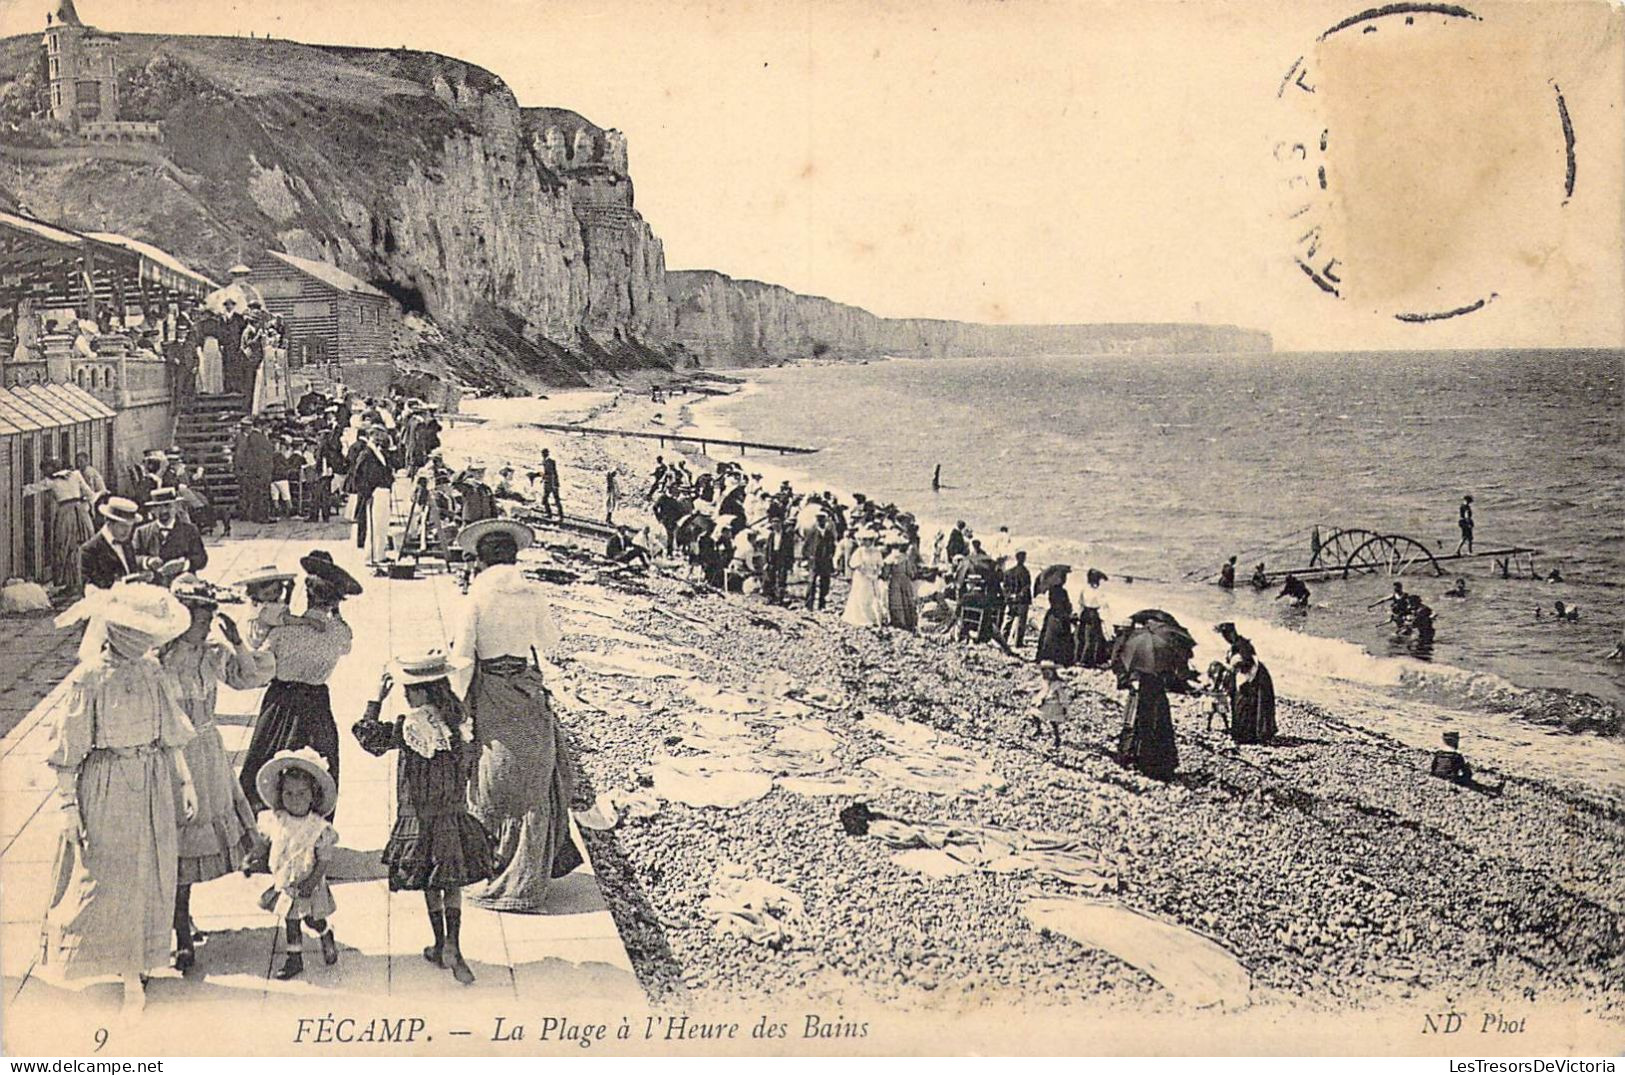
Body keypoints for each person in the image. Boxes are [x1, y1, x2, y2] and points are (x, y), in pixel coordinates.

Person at [41, 583, 198, 1015]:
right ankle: (111, 965)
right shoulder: (88, 679)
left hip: (150, 781)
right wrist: (68, 807)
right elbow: (66, 753)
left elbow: (171, 734)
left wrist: (185, 782)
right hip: (106, 784)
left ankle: (139, 966)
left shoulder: (151, 672)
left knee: (150, 871)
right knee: (106, 874)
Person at [449, 519, 583, 911]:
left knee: (492, 773)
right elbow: (550, 642)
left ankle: (496, 868)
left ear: (482, 561)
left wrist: (458, 704)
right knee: (534, 772)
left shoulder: (475, 598)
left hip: (491, 689)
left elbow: (462, 658)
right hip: (524, 687)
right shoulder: (532, 593)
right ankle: (530, 876)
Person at [354, 652, 494, 985]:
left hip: (420, 815)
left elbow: (369, 738)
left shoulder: (412, 725)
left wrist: (376, 699)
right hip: (452, 814)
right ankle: (453, 947)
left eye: (411, 690)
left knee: (430, 880)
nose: (405, 695)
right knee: (451, 881)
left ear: (426, 691)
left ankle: (440, 943)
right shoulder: (457, 722)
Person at [161, 577, 274, 970]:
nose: (208, 626)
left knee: (189, 850)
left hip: (206, 754)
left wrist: (239, 642)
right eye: (203, 619)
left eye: (210, 620)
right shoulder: (160, 657)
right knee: (172, 847)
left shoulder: (212, 653)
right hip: (170, 756)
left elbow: (253, 677)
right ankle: (179, 932)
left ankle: (182, 922)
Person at [238, 551, 360, 818]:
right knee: (319, 767)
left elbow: (259, 656)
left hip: (280, 702)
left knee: (264, 762)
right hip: (316, 703)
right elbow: (346, 642)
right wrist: (335, 614)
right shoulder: (340, 633)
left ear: (307, 593)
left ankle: (261, 827)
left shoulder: (282, 631)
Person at [247, 749, 340, 980]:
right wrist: (252, 857)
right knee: (291, 920)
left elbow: (323, 861)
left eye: (301, 793)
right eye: (288, 793)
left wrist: (311, 882)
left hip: (310, 884)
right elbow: (265, 843)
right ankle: (294, 959)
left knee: (312, 919)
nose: (294, 799)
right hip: (286, 882)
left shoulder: (318, 828)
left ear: (313, 795)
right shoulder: (277, 820)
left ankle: (325, 933)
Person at [23, 458, 95, 595]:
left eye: (45, 469)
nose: (44, 472)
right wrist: (85, 506)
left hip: (65, 515)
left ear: (51, 468)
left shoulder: (51, 481)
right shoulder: (76, 475)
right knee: (80, 546)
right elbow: (90, 494)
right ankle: (80, 582)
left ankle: (70, 583)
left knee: (63, 547)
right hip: (80, 512)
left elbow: (30, 489)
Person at [1215, 622, 1277, 744]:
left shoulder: (1243, 645)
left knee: (1246, 703)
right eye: (1224, 636)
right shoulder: (1234, 646)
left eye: (1227, 635)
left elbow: (1248, 664)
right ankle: (1241, 732)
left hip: (1255, 677)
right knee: (1239, 703)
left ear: (1232, 633)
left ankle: (1251, 735)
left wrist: (1235, 668)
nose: (1226, 638)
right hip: (1243, 676)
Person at [347, 424, 397, 573]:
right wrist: (367, 494)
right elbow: (359, 477)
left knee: (382, 526)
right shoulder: (366, 454)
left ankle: (380, 554)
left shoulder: (380, 452)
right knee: (374, 526)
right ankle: (371, 557)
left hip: (384, 491)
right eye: (378, 436)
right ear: (372, 436)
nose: (381, 439)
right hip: (375, 493)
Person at [1115, 664, 1177, 781]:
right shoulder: (1140, 651)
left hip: (1153, 692)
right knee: (1137, 724)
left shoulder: (1134, 649)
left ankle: (1153, 764)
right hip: (1142, 692)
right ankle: (1134, 759)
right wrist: (1131, 679)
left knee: (1154, 726)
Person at [132, 487, 208, 574]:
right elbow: (132, 558)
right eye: (158, 507)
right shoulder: (141, 532)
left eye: (168, 506)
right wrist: (147, 561)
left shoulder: (189, 530)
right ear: (152, 510)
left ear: (176, 506)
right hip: (152, 585)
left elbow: (201, 558)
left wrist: (183, 564)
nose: (163, 511)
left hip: (182, 582)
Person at [79, 496, 142, 590]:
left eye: (130, 526)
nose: (127, 531)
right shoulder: (89, 550)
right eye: (123, 526)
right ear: (109, 522)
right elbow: (88, 589)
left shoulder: (126, 543)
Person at [842, 529, 888, 628]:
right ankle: (862, 618)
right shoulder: (860, 552)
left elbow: (880, 564)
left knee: (872, 597)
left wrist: (876, 572)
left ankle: (873, 617)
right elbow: (856, 565)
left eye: (869, 540)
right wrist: (867, 574)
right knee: (861, 596)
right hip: (861, 577)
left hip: (872, 576)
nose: (867, 542)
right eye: (865, 540)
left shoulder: (876, 551)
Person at [1034, 566, 1075, 666]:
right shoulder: (1062, 591)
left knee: (1048, 637)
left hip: (1053, 615)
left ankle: (1046, 656)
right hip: (1060, 616)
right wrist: (1069, 611)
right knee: (1061, 637)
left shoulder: (1052, 590)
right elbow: (1064, 604)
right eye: (1064, 577)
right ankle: (1061, 659)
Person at [1029, 661, 1069, 750]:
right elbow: (1042, 692)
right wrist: (1036, 700)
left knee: (1053, 722)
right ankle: (1039, 729)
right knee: (1033, 713)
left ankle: (1057, 738)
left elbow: (1063, 696)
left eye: (1049, 672)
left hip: (1053, 705)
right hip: (1044, 703)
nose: (1046, 674)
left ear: (1053, 672)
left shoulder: (1057, 684)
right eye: (1044, 672)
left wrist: (1064, 706)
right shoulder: (1044, 682)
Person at [882, 534, 918, 632]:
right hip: (904, 580)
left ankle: (898, 622)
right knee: (907, 600)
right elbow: (910, 572)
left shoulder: (889, 559)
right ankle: (909, 621)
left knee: (896, 601)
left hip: (895, 580)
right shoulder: (905, 558)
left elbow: (885, 574)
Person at [805, 514, 837, 610]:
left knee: (825, 583)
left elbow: (833, 546)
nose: (821, 522)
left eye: (822, 520)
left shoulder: (829, 533)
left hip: (825, 561)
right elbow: (806, 547)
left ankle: (822, 604)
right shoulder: (812, 532)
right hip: (815, 561)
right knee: (812, 582)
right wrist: (809, 557)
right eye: (819, 520)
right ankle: (809, 605)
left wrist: (831, 554)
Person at [1001, 551, 1033, 647]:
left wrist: (1010, 595)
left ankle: (1002, 640)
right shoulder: (1025, 572)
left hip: (1010, 600)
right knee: (1021, 623)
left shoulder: (1009, 572)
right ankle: (1018, 643)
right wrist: (1019, 595)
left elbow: (1005, 586)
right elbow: (1026, 587)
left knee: (1008, 620)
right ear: (1023, 559)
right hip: (1022, 601)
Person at [540, 449, 563, 520]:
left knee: (552, 500)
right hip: (550, 483)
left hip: (551, 484)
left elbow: (552, 474)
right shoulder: (546, 461)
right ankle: (554, 515)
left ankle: (558, 515)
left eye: (543, 453)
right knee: (549, 500)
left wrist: (553, 485)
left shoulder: (548, 462)